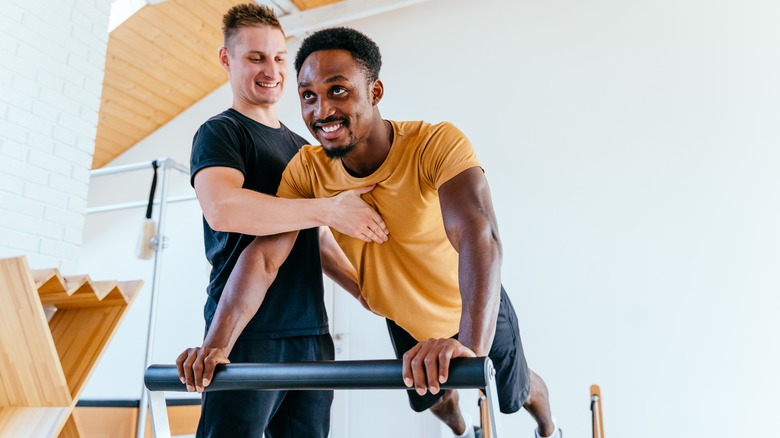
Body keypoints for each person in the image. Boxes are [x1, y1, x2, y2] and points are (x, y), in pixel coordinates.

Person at [204, 26, 562, 437]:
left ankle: (549, 425)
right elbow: (264, 258)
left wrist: (469, 347)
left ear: (374, 93)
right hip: (404, 319)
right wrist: (216, 345)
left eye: (338, 90)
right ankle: (462, 426)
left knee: (515, 394)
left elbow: (479, 237)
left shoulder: (434, 144)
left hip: (468, 302)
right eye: (308, 96)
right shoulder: (307, 170)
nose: (321, 110)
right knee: (435, 397)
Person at [176, 5, 387, 437]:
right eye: (255, 58)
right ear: (226, 59)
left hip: (311, 332)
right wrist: (327, 209)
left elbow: (313, 237)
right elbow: (223, 208)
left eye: (277, 58)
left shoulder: (302, 145)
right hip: (248, 331)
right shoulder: (221, 132)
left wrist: (367, 292)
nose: (270, 70)